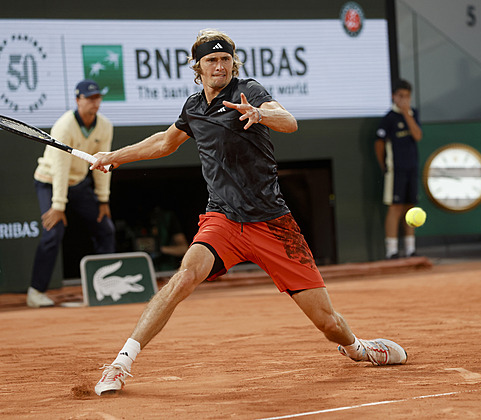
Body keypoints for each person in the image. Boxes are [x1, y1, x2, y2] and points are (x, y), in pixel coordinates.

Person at [91, 29, 407, 396]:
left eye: (225, 59)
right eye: (211, 60)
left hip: (273, 223)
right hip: (222, 219)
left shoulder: (249, 91)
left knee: (329, 323)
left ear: (233, 63)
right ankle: (120, 364)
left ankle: (358, 348)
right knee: (181, 279)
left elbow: (288, 121)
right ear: (198, 67)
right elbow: (164, 142)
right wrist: (113, 157)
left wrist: (260, 114)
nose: (220, 66)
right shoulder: (193, 108)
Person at [27, 79, 116, 308]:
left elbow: (102, 164)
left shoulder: (105, 126)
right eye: (89, 98)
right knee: (53, 232)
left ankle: (102, 288)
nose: (94, 103)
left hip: (77, 184)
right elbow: (60, 168)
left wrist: (103, 199)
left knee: (105, 227)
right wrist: (58, 205)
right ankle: (36, 292)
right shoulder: (64, 126)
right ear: (78, 100)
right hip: (49, 182)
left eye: (98, 98)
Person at [374, 79, 423, 259]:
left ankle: (410, 249)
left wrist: (407, 114)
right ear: (393, 96)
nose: (404, 100)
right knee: (395, 207)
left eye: (407, 96)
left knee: (410, 207)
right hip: (395, 170)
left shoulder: (413, 114)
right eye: (400, 96)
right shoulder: (389, 119)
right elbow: (378, 144)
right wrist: (384, 166)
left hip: (412, 167)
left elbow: (418, 135)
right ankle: (392, 251)